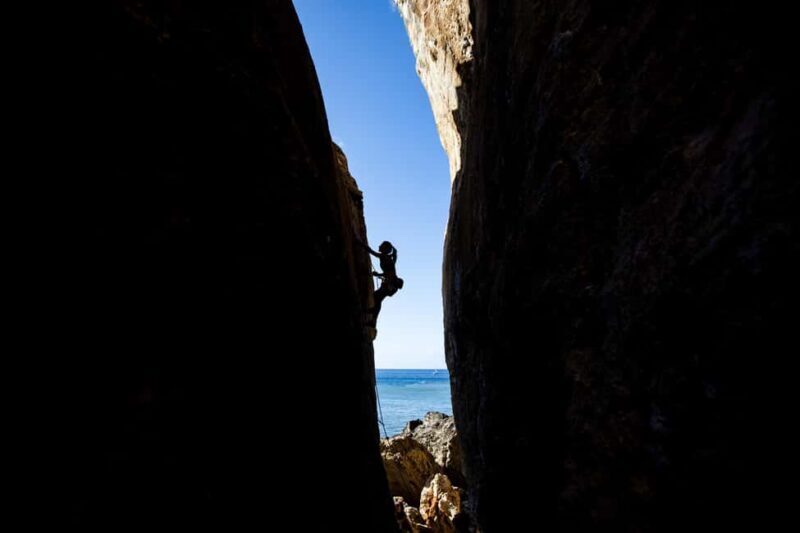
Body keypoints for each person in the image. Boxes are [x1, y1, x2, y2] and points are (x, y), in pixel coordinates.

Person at [358, 239, 403, 324]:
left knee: (376, 298)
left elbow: (370, 251)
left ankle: (372, 315)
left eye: (381, 245)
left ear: (385, 249)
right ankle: (373, 317)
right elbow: (389, 272)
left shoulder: (384, 257)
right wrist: (378, 274)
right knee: (377, 298)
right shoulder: (389, 259)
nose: (379, 246)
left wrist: (359, 242)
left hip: (389, 285)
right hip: (391, 286)